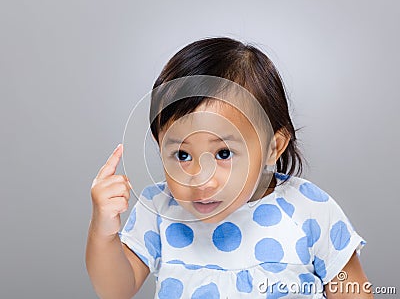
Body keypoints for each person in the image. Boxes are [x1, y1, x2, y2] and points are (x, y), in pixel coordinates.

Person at [86, 37, 373, 298]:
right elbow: (115, 290)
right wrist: (104, 230)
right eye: (182, 155)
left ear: (273, 147)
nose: (202, 179)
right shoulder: (159, 209)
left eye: (223, 153)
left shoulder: (310, 210)